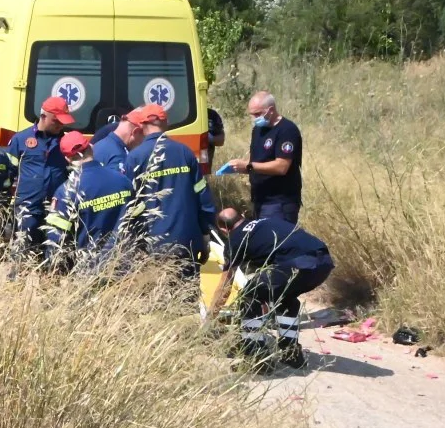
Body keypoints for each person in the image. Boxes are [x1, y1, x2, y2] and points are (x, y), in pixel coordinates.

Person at [212, 207, 334, 370]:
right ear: (242, 216)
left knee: (249, 296)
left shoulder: (235, 239)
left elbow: (225, 286)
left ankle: (256, 357)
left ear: (222, 229)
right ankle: (291, 354)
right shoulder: (264, 222)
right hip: (323, 263)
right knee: (285, 298)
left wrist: (210, 318)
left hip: (295, 263)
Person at [123, 104, 216, 275]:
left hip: (150, 244)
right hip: (186, 238)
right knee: (186, 297)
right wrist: (205, 234)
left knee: (156, 298)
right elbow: (203, 196)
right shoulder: (185, 152)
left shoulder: (134, 158)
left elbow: (128, 205)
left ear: (142, 125)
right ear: (166, 123)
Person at [44, 131, 133, 269]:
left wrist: (53, 270)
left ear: (67, 159)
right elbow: (138, 221)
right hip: (125, 266)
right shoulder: (123, 180)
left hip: (88, 271)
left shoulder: (67, 191)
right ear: (91, 147)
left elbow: (56, 240)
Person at [6, 96, 74, 250]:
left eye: (63, 122)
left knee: (54, 251)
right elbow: (8, 173)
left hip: (55, 208)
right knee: (22, 249)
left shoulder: (66, 143)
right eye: (56, 121)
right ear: (43, 116)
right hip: (27, 207)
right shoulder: (21, 139)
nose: (60, 125)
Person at [227, 91, 303, 223]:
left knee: (277, 242)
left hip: (279, 202)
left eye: (257, 114)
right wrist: (239, 167)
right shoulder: (258, 130)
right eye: (252, 115)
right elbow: (255, 162)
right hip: (260, 200)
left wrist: (249, 166)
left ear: (271, 110)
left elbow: (282, 166)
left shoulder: (287, 130)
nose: (254, 118)